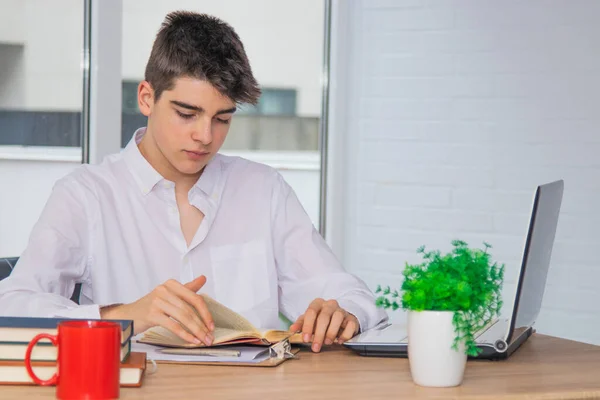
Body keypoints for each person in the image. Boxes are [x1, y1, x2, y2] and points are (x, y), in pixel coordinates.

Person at [0, 11, 386, 353]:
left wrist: (342, 312)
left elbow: (350, 294)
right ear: (147, 98)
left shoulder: (264, 190)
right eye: (187, 113)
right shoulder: (86, 194)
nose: (206, 136)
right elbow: (13, 304)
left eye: (222, 119)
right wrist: (126, 315)